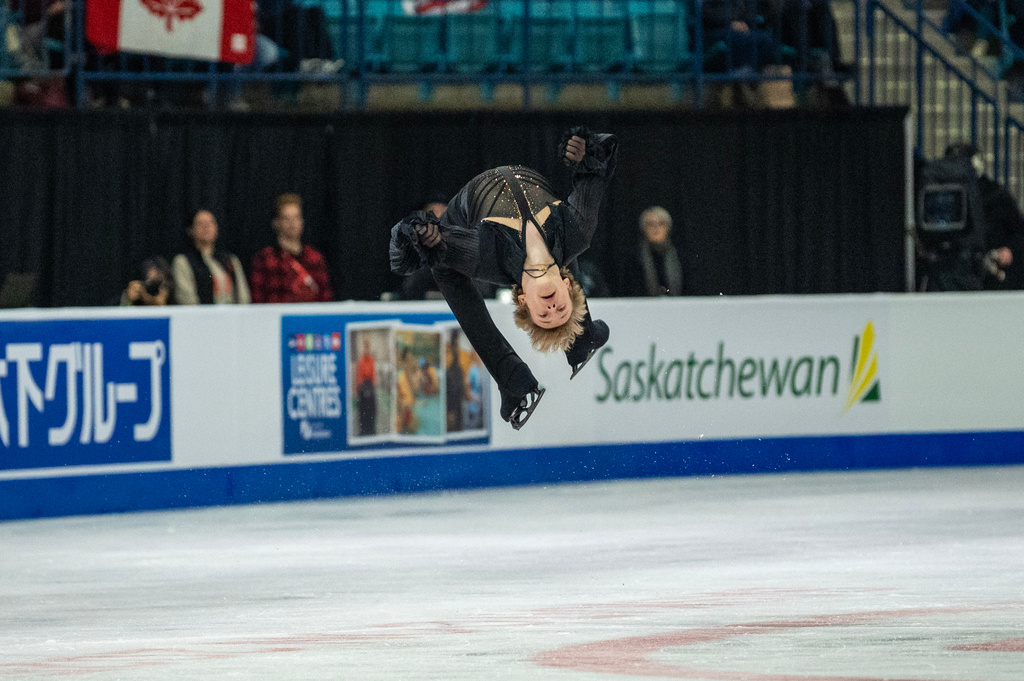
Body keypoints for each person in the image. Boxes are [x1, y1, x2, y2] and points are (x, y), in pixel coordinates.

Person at [390, 126, 616, 430]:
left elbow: (414, 245)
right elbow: (598, 160)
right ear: (567, 286)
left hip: (469, 206)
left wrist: (422, 234)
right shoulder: (579, 230)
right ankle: (579, 337)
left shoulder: (486, 255)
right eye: (561, 310)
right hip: (530, 179)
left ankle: (511, 377)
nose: (551, 308)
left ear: (523, 300)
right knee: (564, 244)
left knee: (442, 267)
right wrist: (583, 150)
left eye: (545, 315)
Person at [250, 193, 334, 303]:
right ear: (276, 223)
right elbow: (257, 301)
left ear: (302, 221)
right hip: (277, 318)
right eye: (286, 218)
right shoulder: (264, 259)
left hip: (309, 318)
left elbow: (326, 299)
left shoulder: (315, 258)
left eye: (296, 217)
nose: (292, 223)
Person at [172, 210, 251, 305]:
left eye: (210, 222)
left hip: (232, 316)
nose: (206, 227)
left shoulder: (230, 260)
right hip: (201, 317)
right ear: (190, 230)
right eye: (200, 223)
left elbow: (243, 296)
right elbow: (187, 299)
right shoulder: (183, 261)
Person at [637, 206, 684, 296]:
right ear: (643, 228)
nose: (656, 228)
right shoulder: (635, 259)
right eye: (650, 224)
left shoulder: (680, 256)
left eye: (661, 223)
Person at [355, 338, 377, 436]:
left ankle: (371, 428)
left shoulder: (372, 360)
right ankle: (363, 429)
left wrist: (372, 387)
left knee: (372, 408)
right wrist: (359, 387)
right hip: (363, 385)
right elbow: (359, 375)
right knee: (362, 408)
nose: (367, 349)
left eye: (368, 347)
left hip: (370, 385)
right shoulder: (361, 361)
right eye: (365, 347)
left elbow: (373, 375)